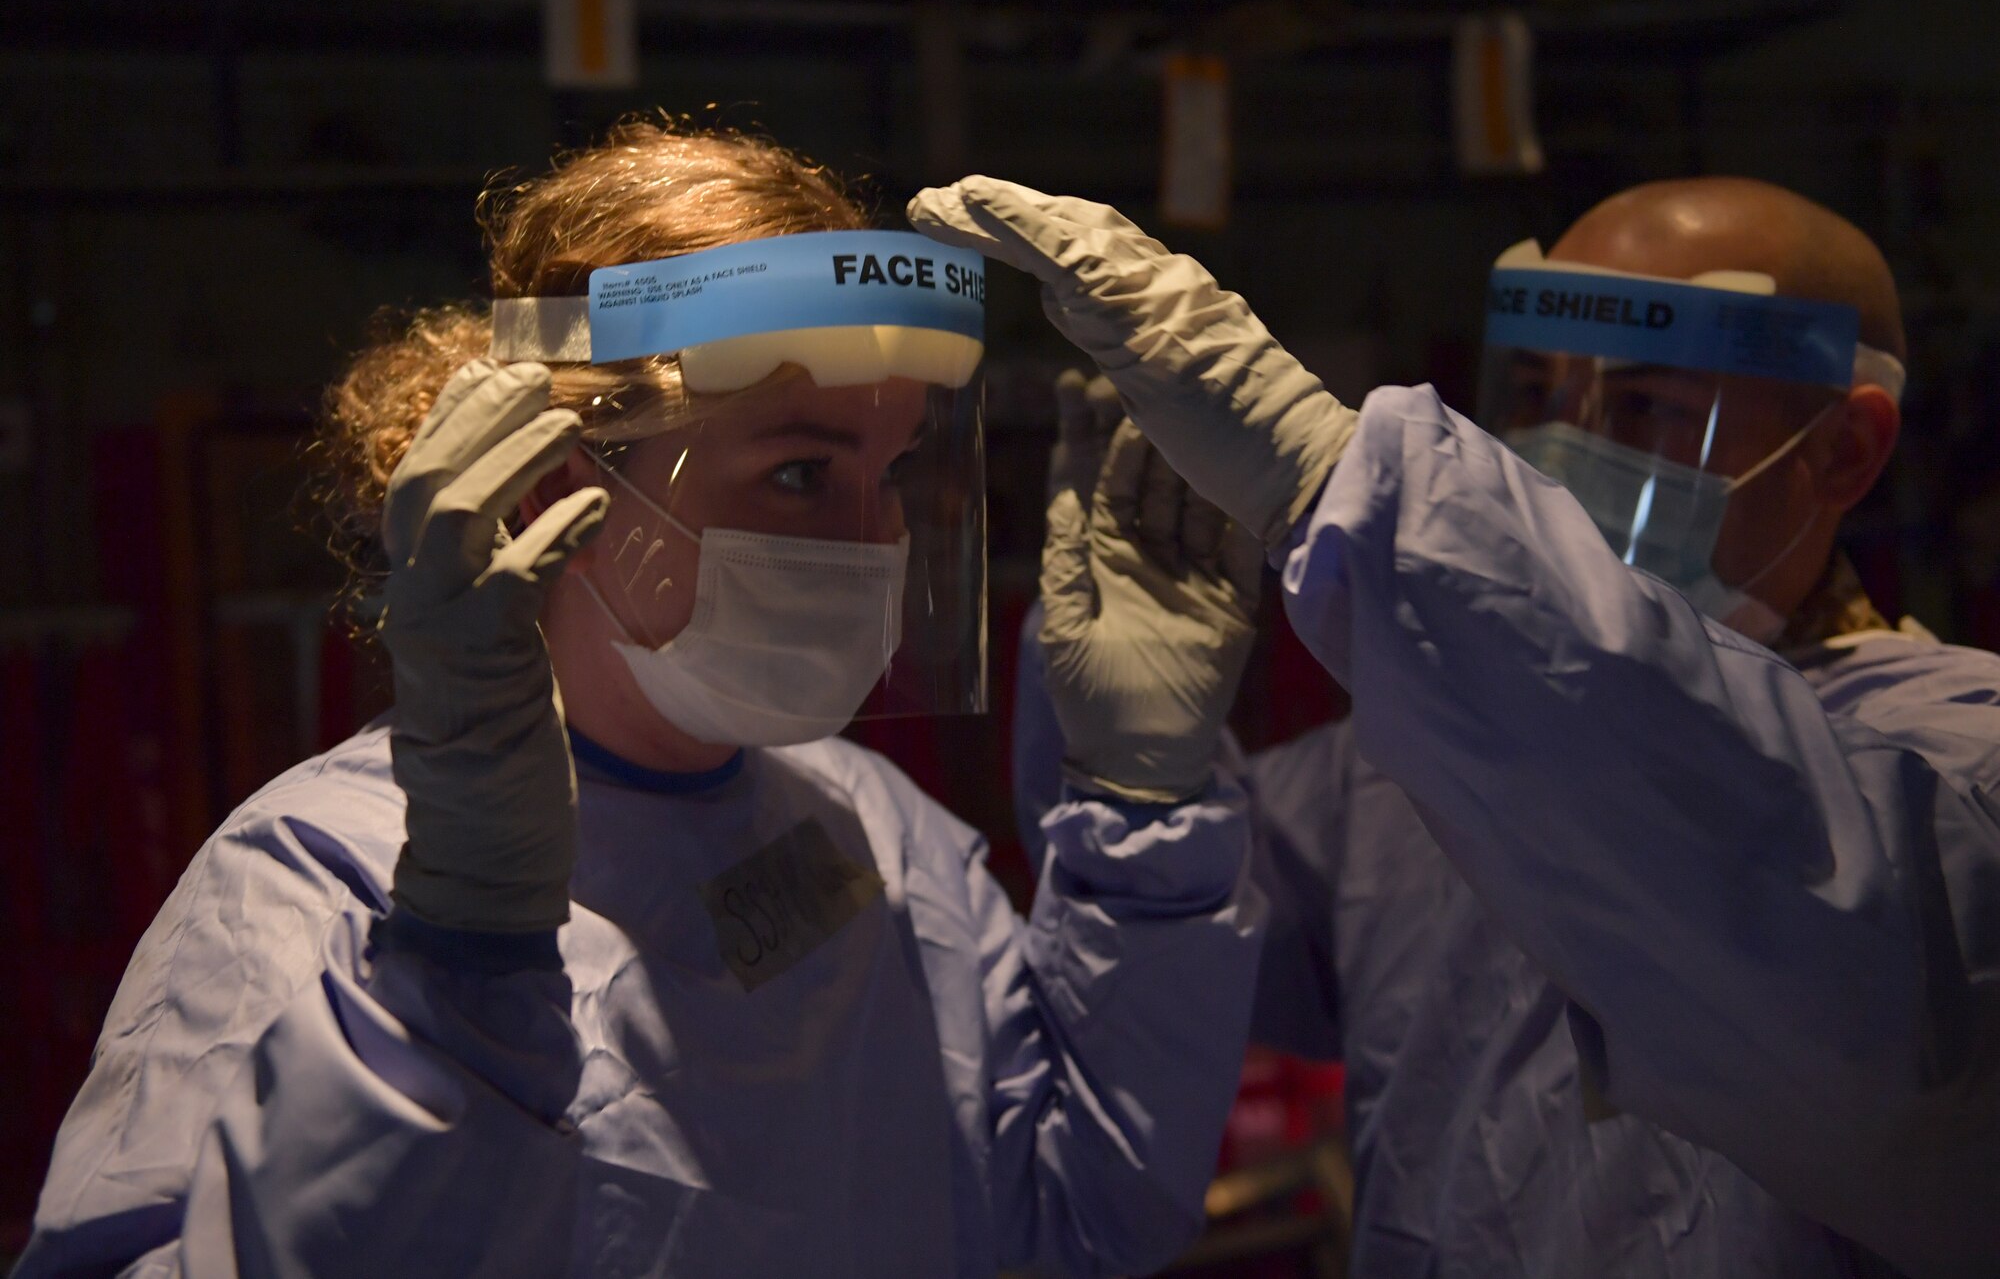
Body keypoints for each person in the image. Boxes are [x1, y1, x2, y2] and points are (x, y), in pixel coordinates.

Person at [15, 122, 1270, 1279]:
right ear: (549, 492)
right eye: (797, 471)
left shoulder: (872, 829)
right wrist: (453, 963)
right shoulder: (325, 877)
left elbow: (1073, 1225)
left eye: (889, 473)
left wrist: (1141, 817)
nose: (872, 539)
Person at [926, 175, 2000, 1278]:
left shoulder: (1958, 753)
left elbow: (1872, 1002)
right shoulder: (1401, 766)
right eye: (1533, 392)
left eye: (1641, 407)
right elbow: (1199, 996)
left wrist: (1334, 480)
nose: (1563, 446)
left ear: (1844, 451)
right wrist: (1139, 777)